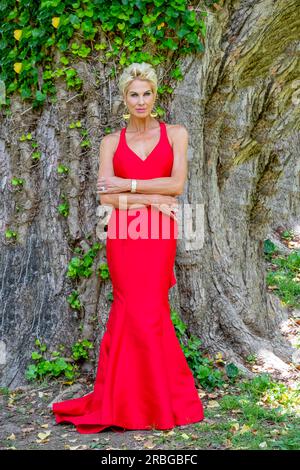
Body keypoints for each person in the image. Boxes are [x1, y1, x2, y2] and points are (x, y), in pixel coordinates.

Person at [51, 62, 205, 433]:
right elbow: (105, 197)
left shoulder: (176, 134)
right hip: (123, 234)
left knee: (150, 310)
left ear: (156, 95)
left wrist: (128, 186)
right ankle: (121, 401)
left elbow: (177, 186)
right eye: (133, 94)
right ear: (124, 98)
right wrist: (149, 198)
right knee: (128, 309)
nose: (140, 100)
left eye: (147, 93)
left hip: (158, 236)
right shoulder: (110, 142)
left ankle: (158, 400)